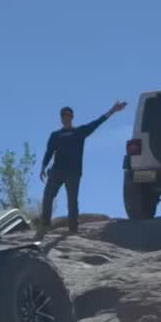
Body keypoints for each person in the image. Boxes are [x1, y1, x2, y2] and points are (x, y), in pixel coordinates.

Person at [37, 100, 127, 237]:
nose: (65, 117)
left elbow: (97, 123)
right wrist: (43, 166)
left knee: (72, 201)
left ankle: (73, 229)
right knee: (47, 197)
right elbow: (49, 152)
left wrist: (112, 111)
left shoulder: (80, 132)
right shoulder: (55, 135)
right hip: (56, 171)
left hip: (73, 173)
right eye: (63, 115)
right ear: (61, 118)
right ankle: (45, 225)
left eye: (68, 115)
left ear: (72, 117)